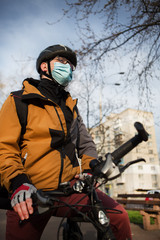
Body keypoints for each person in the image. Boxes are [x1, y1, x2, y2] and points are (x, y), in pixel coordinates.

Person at [0, 44, 132, 240]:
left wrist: (89, 170)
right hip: (32, 190)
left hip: (69, 189)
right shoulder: (19, 100)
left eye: (70, 64)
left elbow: (86, 145)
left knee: (118, 217)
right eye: (62, 61)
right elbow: (4, 148)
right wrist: (19, 182)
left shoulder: (71, 108)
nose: (68, 67)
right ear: (44, 66)